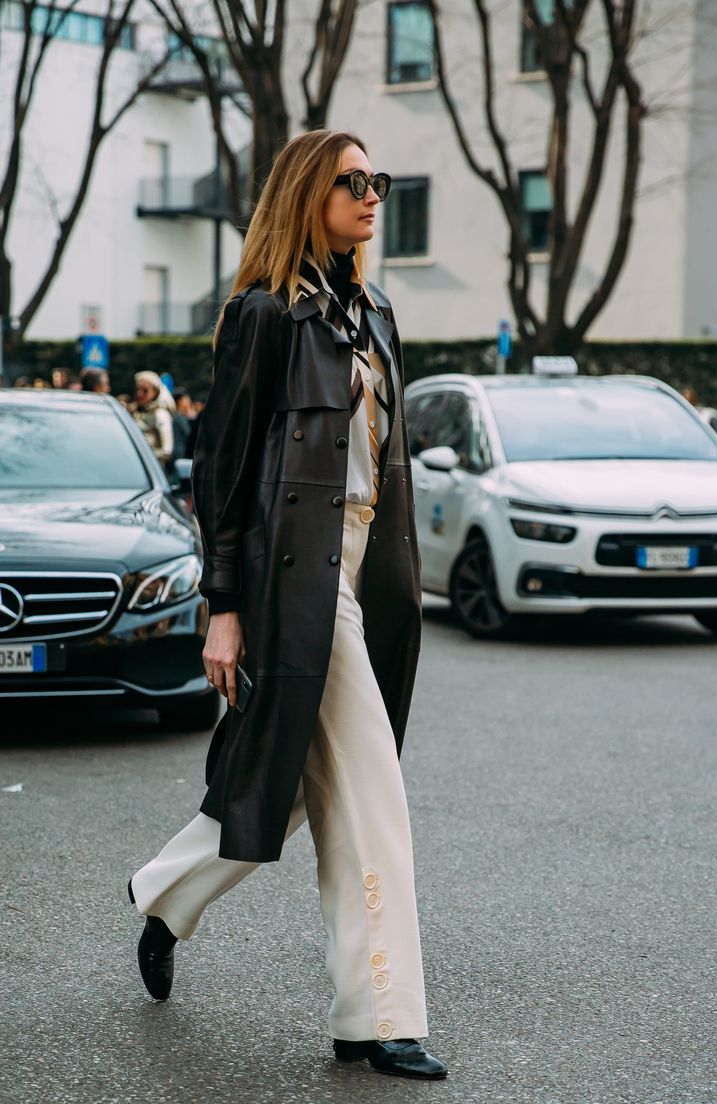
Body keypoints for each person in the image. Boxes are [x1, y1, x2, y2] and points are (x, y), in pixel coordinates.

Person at [127, 130, 447, 1082]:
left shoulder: (376, 312)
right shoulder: (264, 315)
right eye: (352, 181)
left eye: (378, 181)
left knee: (306, 788)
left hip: (362, 570)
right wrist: (222, 608)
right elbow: (218, 471)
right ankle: (375, 1014)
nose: (371, 196)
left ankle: (162, 895)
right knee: (373, 794)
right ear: (308, 193)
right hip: (288, 575)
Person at [130, 370, 174, 466]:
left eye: (145, 390)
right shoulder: (138, 412)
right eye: (138, 390)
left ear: (156, 392)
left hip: (152, 471)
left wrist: (143, 455)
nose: (139, 394)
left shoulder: (160, 414)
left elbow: (167, 450)